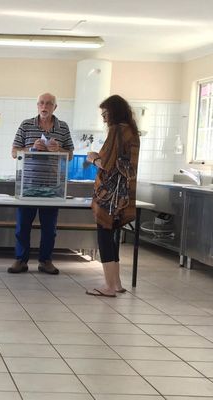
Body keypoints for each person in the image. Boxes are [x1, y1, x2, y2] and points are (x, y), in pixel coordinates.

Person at [9, 93, 74, 275]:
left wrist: (58, 149)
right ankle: (20, 260)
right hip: (27, 185)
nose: (45, 106)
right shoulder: (26, 124)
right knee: (23, 226)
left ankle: (46, 261)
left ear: (55, 107)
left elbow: (70, 155)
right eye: (42, 103)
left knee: (49, 228)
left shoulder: (63, 128)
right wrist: (30, 149)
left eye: (49, 104)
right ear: (37, 105)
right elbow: (14, 152)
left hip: (52, 187)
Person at [85, 95, 140, 297]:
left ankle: (108, 286)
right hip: (124, 194)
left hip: (110, 195)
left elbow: (105, 164)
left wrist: (92, 157)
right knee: (113, 237)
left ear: (113, 112)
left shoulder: (117, 130)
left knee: (104, 236)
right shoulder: (132, 131)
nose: (104, 118)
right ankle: (116, 283)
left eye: (105, 114)